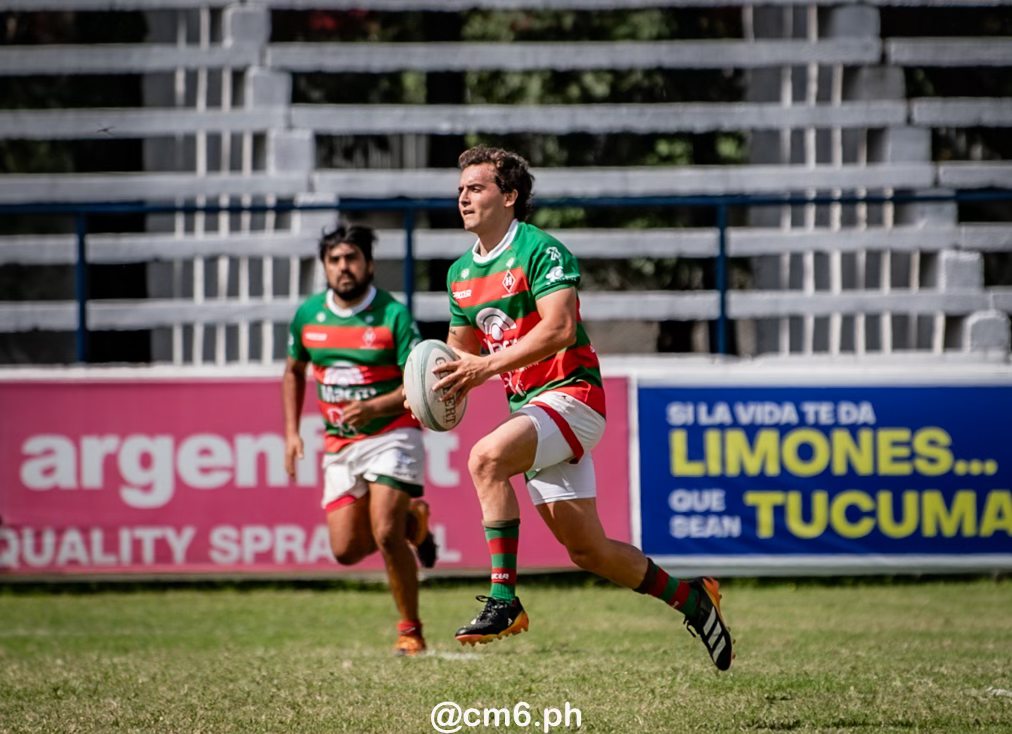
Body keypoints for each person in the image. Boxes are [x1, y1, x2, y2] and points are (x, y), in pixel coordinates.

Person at [431, 146, 734, 671]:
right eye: (460, 189)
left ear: (510, 196)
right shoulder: (460, 273)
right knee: (589, 551)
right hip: (533, 409)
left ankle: (503, 600)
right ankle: (693, 598)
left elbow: (560, 329)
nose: (463, 197)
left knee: (486, 458)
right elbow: (461, 356)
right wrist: (430, 391)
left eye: (476, 188)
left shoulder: (541, 250)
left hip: (574, 396)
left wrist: (485, 367)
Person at [283, 223, 437, 657]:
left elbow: (416, 383)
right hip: (340, 442)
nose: (343, 267)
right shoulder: (308, 316)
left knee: (385, 533)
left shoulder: (393, 315)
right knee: (346, 551)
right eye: (334, 260)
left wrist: (373, 407)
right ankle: (414, 523)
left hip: (393, 433)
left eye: (351, 258)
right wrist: (291, 432)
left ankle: (410, 630)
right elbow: (293, 371)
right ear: (324, 266)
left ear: (369, 264)